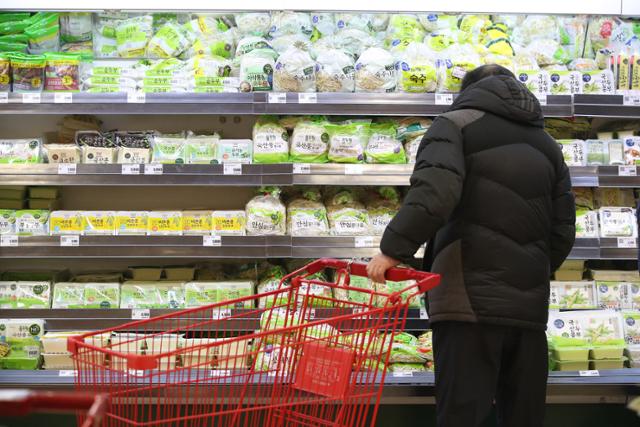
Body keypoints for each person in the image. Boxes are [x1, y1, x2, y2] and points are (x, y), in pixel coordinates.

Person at [366, 64, 576, 427]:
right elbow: (563, 232)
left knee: (464, 415)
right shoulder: (548, 146)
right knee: (522, 417)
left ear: (467, 92)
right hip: (528, 309)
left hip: (466, 304)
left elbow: (435, 194)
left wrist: (391, 250)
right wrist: (528, 273)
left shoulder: (453, 125)